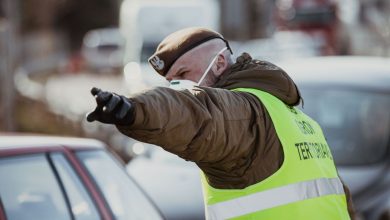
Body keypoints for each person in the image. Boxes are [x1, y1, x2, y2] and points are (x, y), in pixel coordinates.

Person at [87, 27, 355, 219]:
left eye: (183, 74)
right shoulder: (297, 118)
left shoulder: (246, 113)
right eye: (171, 82)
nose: (179, 87)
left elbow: (198, 114)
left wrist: (136, 110)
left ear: (220, 63)